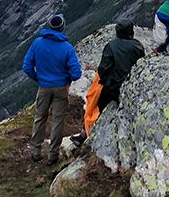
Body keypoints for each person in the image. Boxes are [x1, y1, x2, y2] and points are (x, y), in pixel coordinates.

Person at [21, 13, 82, 164]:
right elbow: (76, 73)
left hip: (43, 87)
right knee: (58, 120)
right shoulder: (67, 48)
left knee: (40, 117)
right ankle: (53, 155)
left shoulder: (37, 43)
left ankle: (36, 151)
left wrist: (39, 78)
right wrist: (66, 79)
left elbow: (27, 66)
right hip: (61, 88)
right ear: (62, 27)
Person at [96, 20, 146, 110]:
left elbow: (103, 70)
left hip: (113, 87)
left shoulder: (110, 46)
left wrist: (104, 82)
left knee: (98, 104)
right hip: (132, 84)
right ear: (131, 31)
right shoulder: (138, 46)